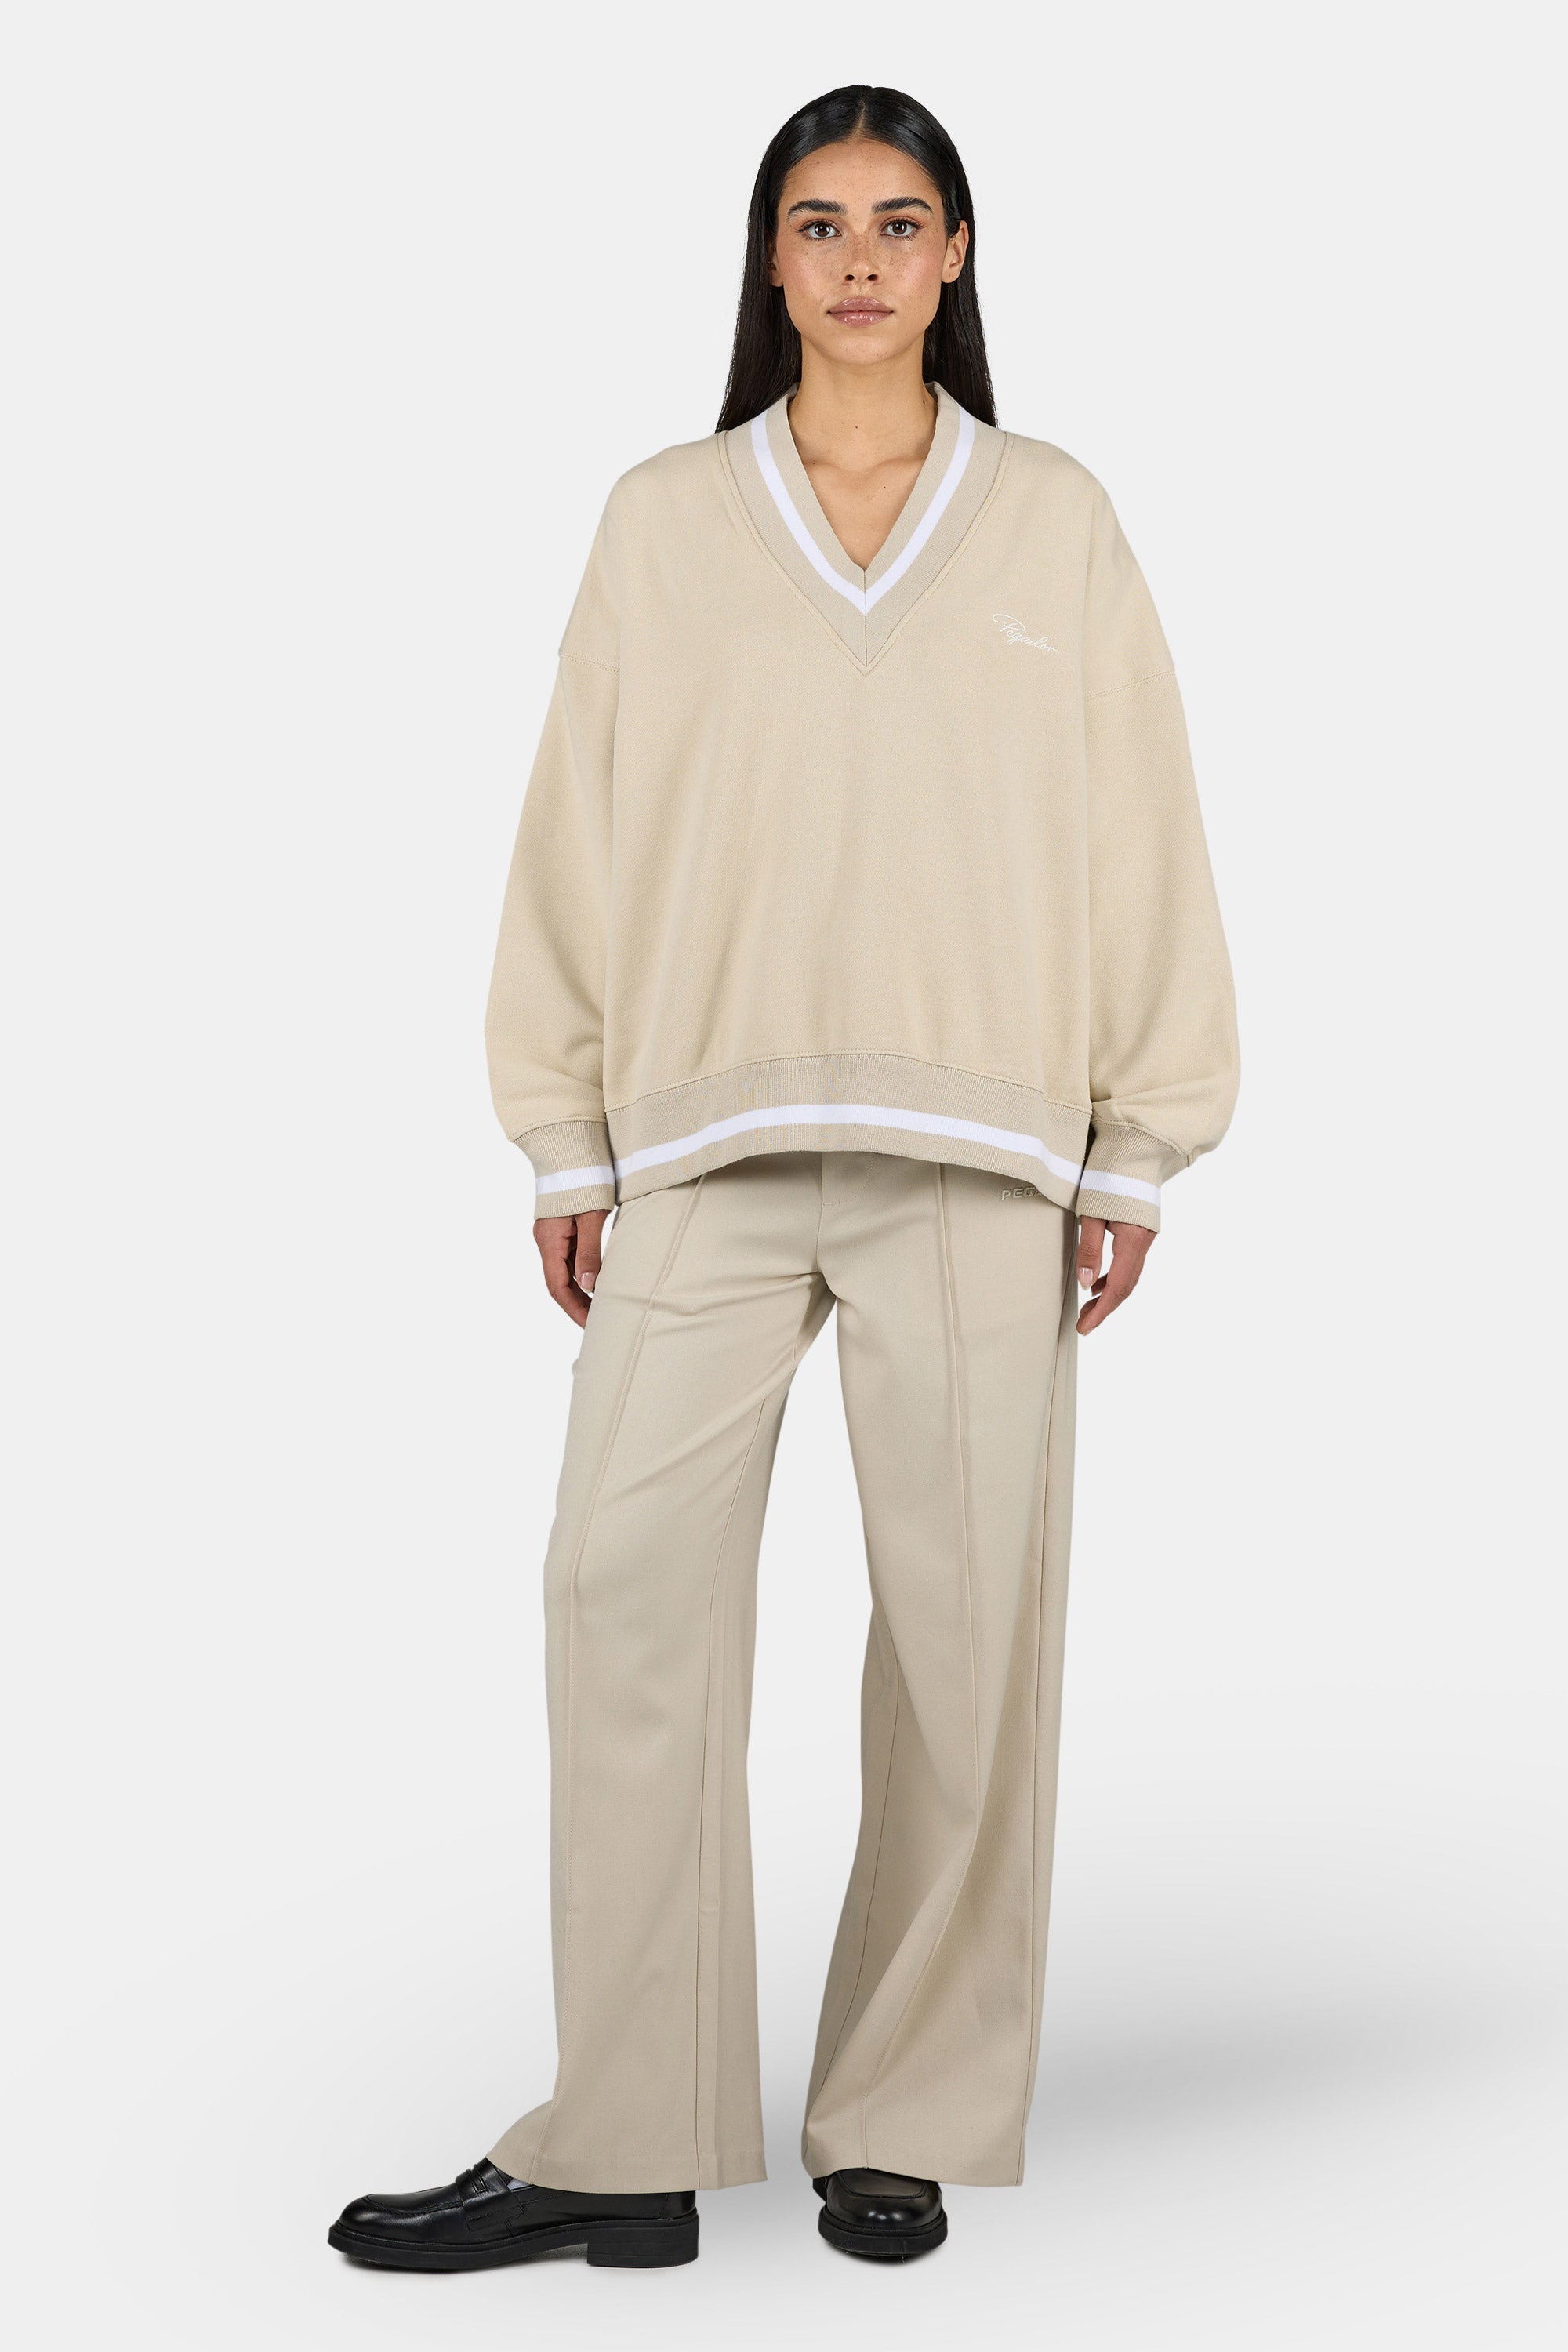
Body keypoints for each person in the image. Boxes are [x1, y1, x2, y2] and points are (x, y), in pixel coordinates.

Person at [329, 81, 1238, 2275]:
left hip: (982, 1150)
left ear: (956, 257)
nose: (857, 259)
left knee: (967, 1646)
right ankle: (625, 2134)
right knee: (615, 1588)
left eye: (899, 222)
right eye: (818, 222)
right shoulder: (663, 518)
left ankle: (901, 2112)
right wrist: (563, 1124)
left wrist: (1137, 1138)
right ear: (772, 257)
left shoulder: (1055, 520)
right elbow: (577, 820)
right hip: (703, 1145)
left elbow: (1143, 823)